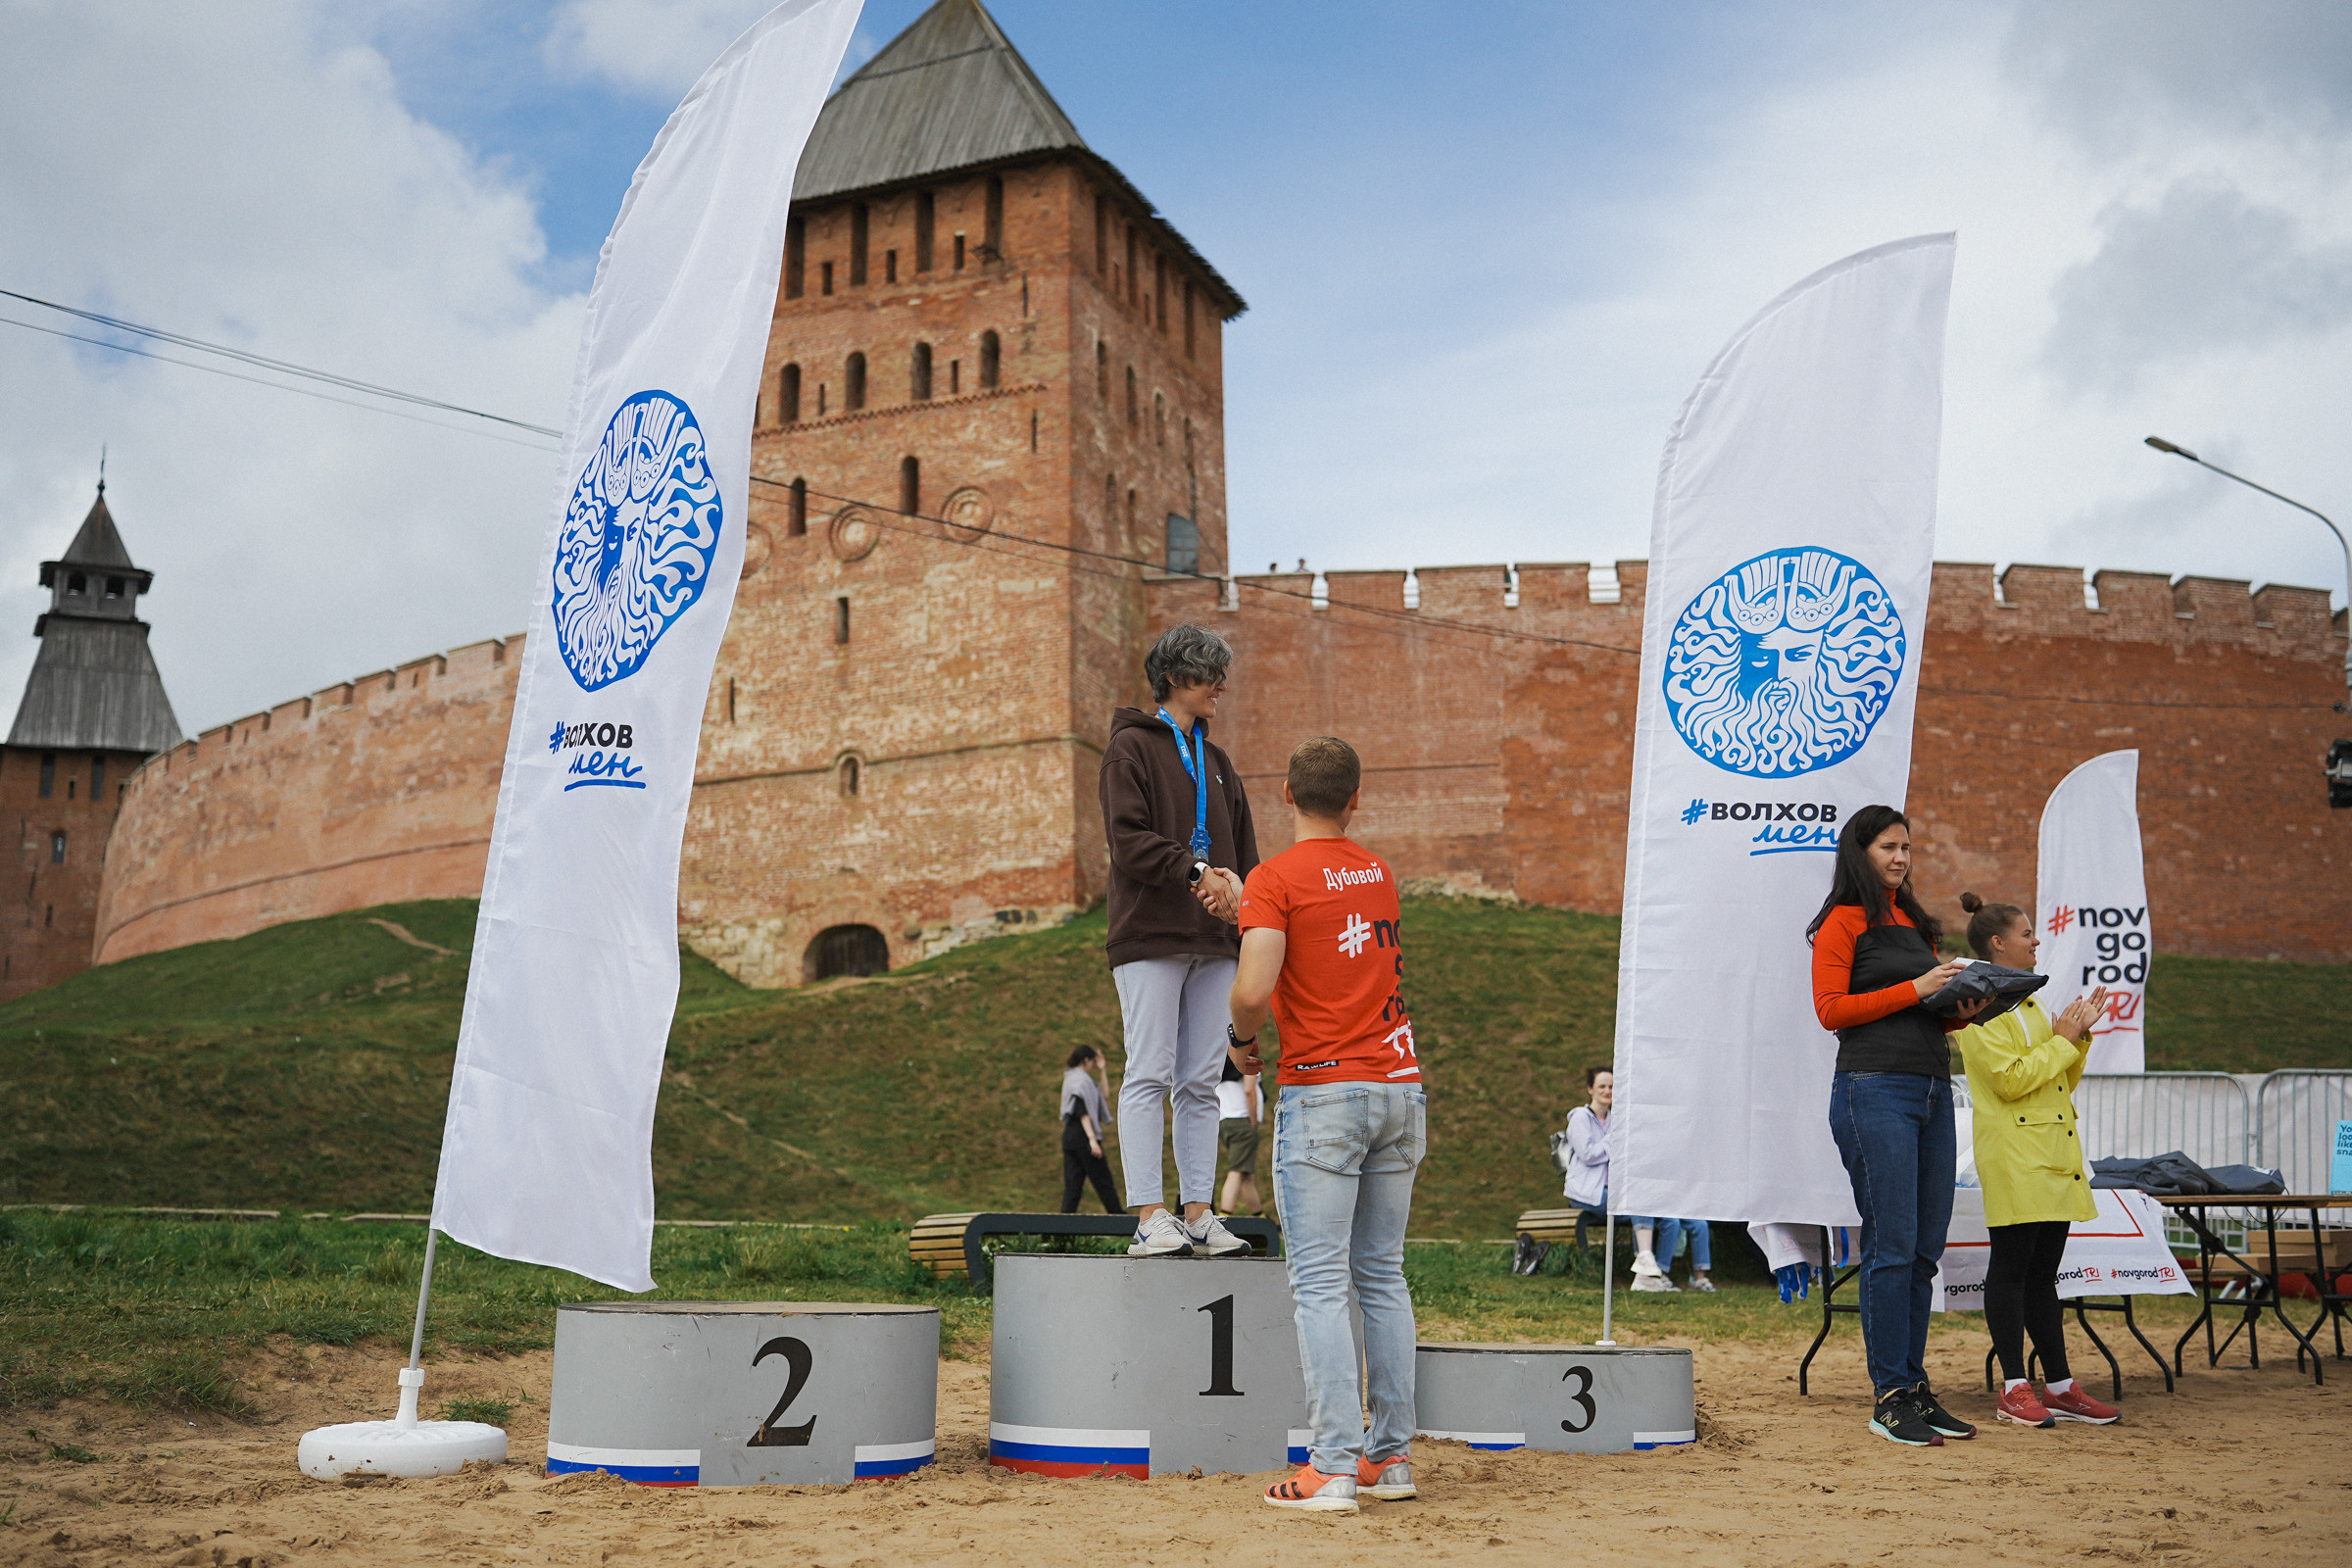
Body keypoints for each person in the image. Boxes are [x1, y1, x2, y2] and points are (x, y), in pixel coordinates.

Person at [1230, 736, 1422, 1514]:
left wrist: (1244, 1042)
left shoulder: (1272, 879)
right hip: (1400, 1090)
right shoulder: (1378, 873)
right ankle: (1391, 1459)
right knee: (1381, 1275)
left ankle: (1331, 1466)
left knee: (1318, 1285)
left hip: (1323, 1092)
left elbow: (1253, 987)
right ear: (1355, 799)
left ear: (1283, 793)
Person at [1807, 805, 1989, 1448]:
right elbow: (1831, 1010)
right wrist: (1917, 989)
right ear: (1861, 851)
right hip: (1871, 1089)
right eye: (1889, 846)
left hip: (1933, 1089)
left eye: (1907, 847)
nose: (1902, 857)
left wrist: (1963, 1008)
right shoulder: (1840, 922)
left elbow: (1930, 1013)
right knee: (1891, 1245)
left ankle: (1914, 1387)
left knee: (1923, 1250)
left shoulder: (1915, 923)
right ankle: (1888, 1396)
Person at [1101, 623, 1259, 1259]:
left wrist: (1241, 896)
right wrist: (1196, 872)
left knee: (1199, 1080)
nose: (1221, 686)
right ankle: (1148, 1215)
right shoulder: (1130, 750)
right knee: (1149, 1071)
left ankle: (1198, 1211)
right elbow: (1128, 840)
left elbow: (1245, 855)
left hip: (1214, 942)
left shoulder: (1219, 764)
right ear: (1175, 678)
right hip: (1150, 935)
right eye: (1208, 674)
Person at [1951, 892, 2122, 1428]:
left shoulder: (2029, 1002)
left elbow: (2056, 1078)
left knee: (2044, 1275)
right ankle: (2015, 1387)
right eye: (2027, 934)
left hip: (2050, 1151)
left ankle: (2062, 1386)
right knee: (2010, 1271)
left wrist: (2080, 1037)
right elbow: (2011, 1080)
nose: (2036, 942)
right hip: (2016, 1155)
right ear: (1998, 943)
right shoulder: (1976, 1004)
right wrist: (2065, 1038)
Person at [1058, 1045, 1121, 1214]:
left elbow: (1104, 1094)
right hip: (1083, 1137)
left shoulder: (1075, 1078)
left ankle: (1061, 1230)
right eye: (1093, 1062)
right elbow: (1082, 1112)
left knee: (1073, 1188)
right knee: (1104, 1182)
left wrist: (1102, 1070)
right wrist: (1092, 1140)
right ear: (1086, 1060)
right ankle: (1120, 1221)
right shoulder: (1080, 1081)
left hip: (1070, 1138)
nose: (1093, 1065)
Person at [1215, 1054, 1263, 1217]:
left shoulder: (1220, 1062)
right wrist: (1254, 1121)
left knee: (1246, 1173)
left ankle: (1259, 1217)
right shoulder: (1249, 1060)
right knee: (1236, 1171)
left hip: (1225, 1122)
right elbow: (1249, 1091)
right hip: (1243, 1121)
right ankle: (1224, 1216)